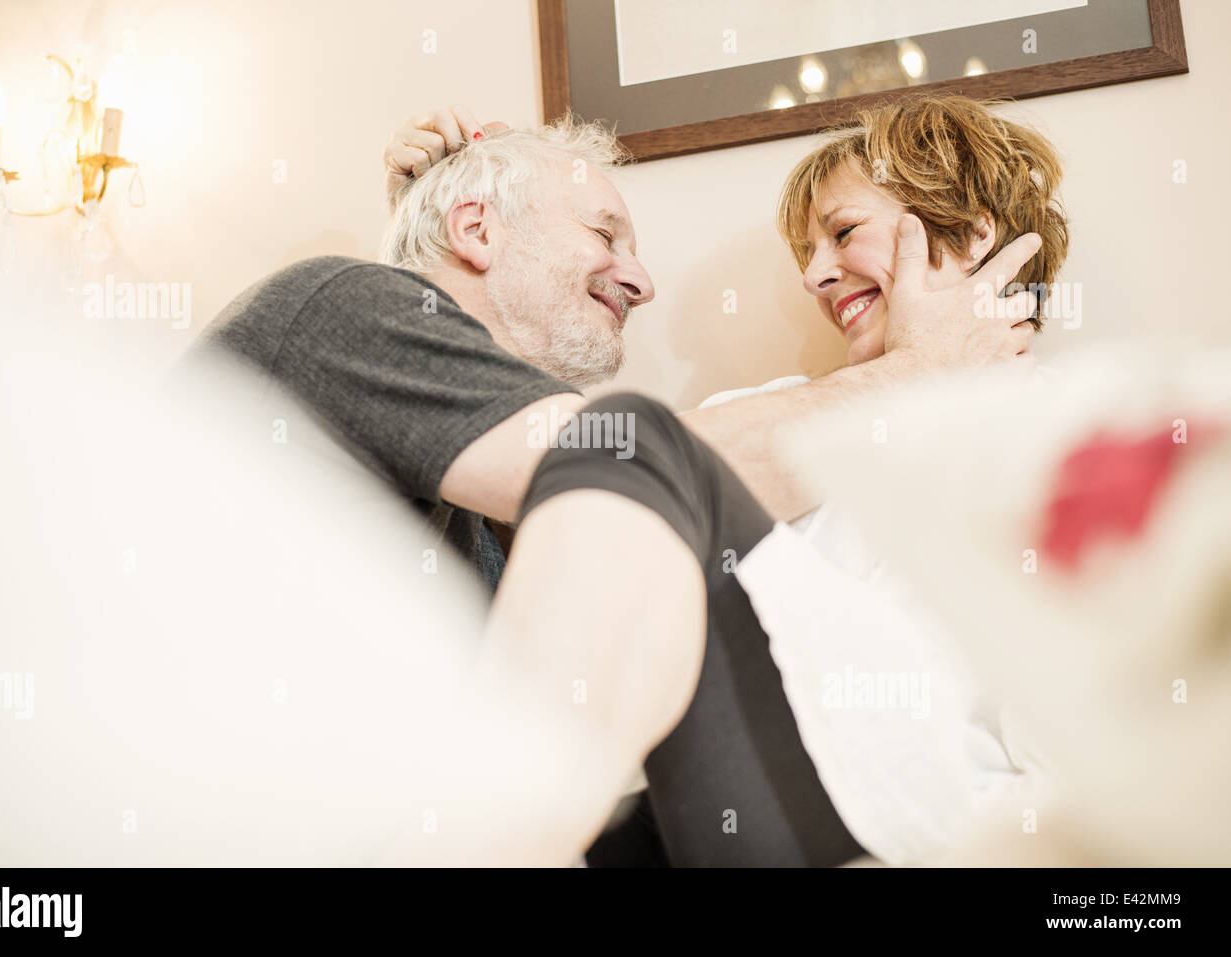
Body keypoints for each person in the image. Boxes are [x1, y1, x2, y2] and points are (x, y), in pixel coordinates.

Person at [193, 108, 1039, 865]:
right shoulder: (342, 307)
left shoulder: (498, 511)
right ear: (477, 229)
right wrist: (925, 367)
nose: (642, 281)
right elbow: (637, 468)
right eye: (606, 234)